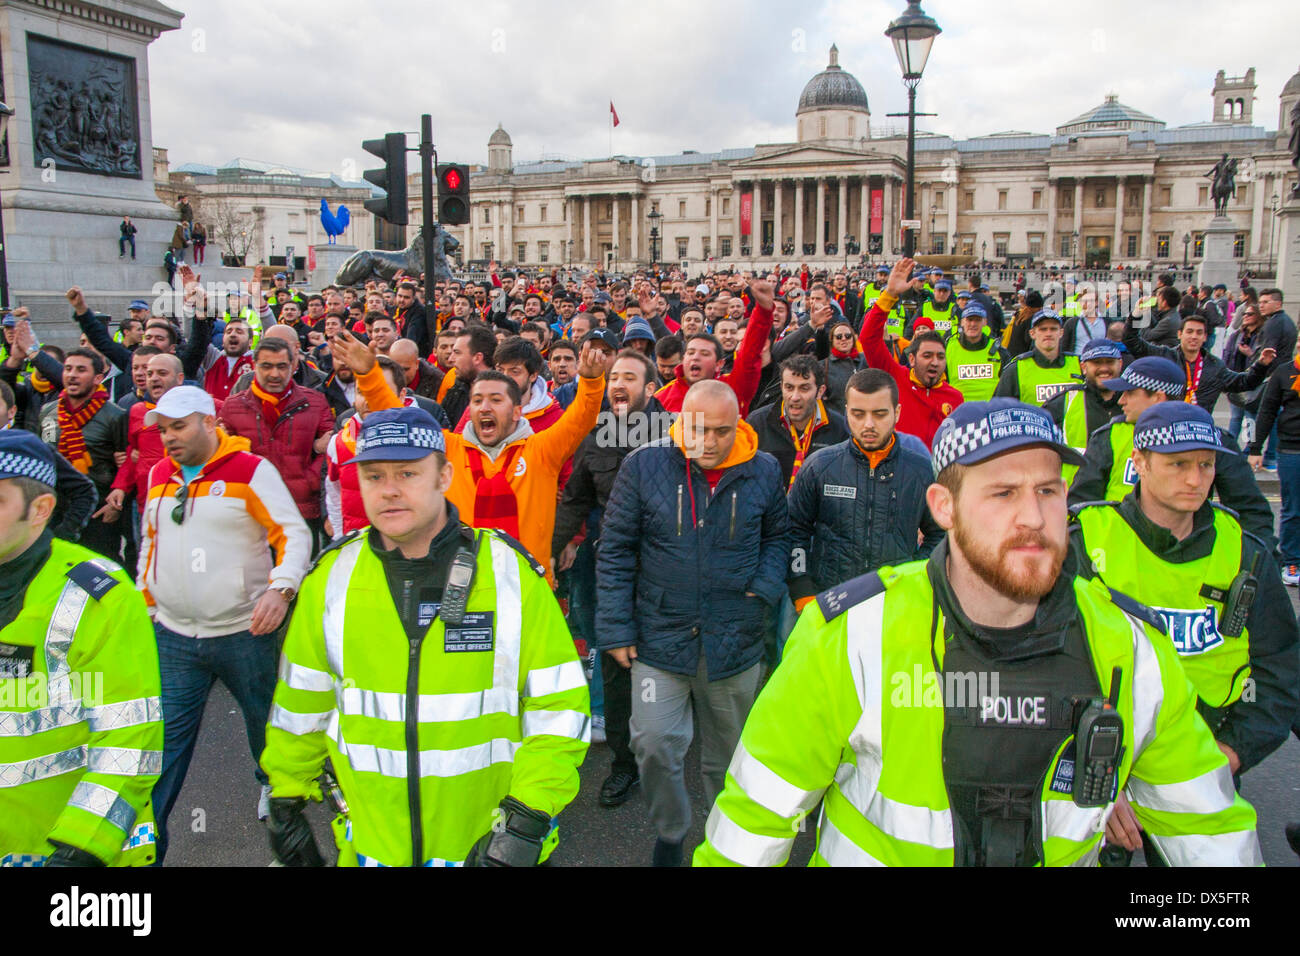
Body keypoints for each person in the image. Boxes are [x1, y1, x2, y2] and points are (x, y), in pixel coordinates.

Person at [694, 398, 1261, 867]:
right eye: (1002, 493)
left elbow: (1212, 835)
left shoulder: (1131, 647)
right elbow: (754, 821)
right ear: (943, 507)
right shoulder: (851, 633)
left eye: (1048, 490)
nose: (1034, 518)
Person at [260, 405, 589, 867]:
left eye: (408, 473)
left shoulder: (510, 574)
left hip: (488, 846)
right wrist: (285, 795)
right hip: (373, 848)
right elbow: (303, 700)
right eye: (373, 476)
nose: (389, 490)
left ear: (444, 476)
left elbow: (559, 707)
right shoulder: (331, 577)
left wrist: (527, 819)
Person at [1071, 403, 1299, 864]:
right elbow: (1045, 662)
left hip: (1203, 751)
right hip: (1098, 759)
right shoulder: (1083, 539)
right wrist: (1088, 774)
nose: (1196, 479)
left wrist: (1231, 753)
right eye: (1178, 464)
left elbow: (1279, 671)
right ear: (1140, 463)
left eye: (1206, 465)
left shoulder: (1245, 554)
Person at [597, 380, 790, 867]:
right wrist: (616, 627)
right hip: (659, 637)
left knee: (729, 755)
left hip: (734, 639)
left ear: (739, 423)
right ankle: (670, 831)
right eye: (696, 429)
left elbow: (778, 536)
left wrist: (764, 588)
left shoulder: (763, 469)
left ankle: (724, 840)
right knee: (653, 742)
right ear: (680, 420)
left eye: (721, 432)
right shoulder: (644, 466)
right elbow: (616, 548)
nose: (707, 441)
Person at [138, 386, 312, 862]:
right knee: (160, 752)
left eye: (178, 427)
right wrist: (145, 605)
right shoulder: (158, 474)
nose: (168, 438)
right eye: (163, 429)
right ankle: (145, 851)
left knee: (267, 731)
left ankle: (280, 816)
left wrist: (281, 589)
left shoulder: (252, 471)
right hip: (173, 637)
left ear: (210, 422)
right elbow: (148, 545)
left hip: (244, 633)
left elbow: (293, 534)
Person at [0, 430, 164, 867]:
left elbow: (131, 734)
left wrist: (82, 846)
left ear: (41, 510)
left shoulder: (98, 594)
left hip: (62, 850)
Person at [553, 349, 669, 808]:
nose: (618, 384)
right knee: (617, 666)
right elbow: (575, 499)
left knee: (669, 668)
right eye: (613, 377)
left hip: (670, 574)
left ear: (651, 388)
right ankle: (625, 764)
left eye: (628, 377)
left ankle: (668, 756)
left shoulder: (678, 431)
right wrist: (542, 551)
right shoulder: (596, 434)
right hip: (615, 571)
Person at [788, 366, 942, 617]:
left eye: (879, 414)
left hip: (896, 605)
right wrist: (803, 590)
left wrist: (915, 573)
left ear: (897, 413)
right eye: (858, 414)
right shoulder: (820, 466)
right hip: (829, 603)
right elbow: (794, 529)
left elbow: (941, 533)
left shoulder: (921, 470)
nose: (868, 424)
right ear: (847, 412)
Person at [1068, 357, 1275, 543]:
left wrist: (1258, 567)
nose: (1121, 400)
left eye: (1129, 393)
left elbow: (1250, 511)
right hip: (1116, 549)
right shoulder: (1111, 435)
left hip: (1186, 552)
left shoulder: (1208, 438)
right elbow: (1083, 503)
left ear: (1158, 397)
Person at [218, 337, 335, 552]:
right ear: (254, 366)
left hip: (302, 509)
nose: (274, 374)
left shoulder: (315, 402)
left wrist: (309, 481)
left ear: (292, 366)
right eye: (266, 366)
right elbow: (225, 455)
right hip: (252, 511)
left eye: (281, 366)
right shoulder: (233, 407)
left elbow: (329, 450)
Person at [857, 259, 963, 448]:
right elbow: (868, 339)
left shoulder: (955, 397)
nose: (935, 362)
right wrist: (889, 294)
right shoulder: (896, 377)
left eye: (940, 357)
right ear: (912, 358)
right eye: (927, 355)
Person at [39, 347, 128, 560]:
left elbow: (126, 465)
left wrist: (115, 506)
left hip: (97, 512)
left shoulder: (115, 416)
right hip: (56, 509)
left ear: (98, 378)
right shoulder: (48, 412)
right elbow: (41, 457)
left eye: (80, 370)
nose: (72, 375)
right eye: (68, 369)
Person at [655, 279, 775, 415]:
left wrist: (764, 311)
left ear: (719, 364)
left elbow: (750, 355)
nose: (696, 357)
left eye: (705, 353)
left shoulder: (732, 388)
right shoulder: (662, 397)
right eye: (691, 352)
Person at [1123, 312, 1275, 412]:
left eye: (1199, 333)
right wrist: (1136, 317)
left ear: (1205, 338)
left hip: (1199, 429)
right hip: (1167, 425)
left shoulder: (1215, 366)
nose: (1194, 337)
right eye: (1189, 332)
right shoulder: (1165, 356)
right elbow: (1132, 342)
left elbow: (1244, 382)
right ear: (1179, 334)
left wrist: (1261, 365)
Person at [746, 354, 849, 490]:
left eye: (804, 388)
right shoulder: (757, 423)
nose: (795, 397)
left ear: (820, 391)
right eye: (789, 387)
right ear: (781, 387)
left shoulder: (840, 428)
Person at [1249, 340, 1300, 583]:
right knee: (1293, 509)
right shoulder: (1285, 372)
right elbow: (1267, 410)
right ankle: (1291, 563)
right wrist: (1255, 447)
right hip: (1292, 451)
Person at [1043, 338, 1124, 484]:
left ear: (1120, 364)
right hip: (1075, 495)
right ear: (1083, 367)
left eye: (1109, 362)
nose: (1104, 368)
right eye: (1097, 363)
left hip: (1121, 499)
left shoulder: (1134, 403)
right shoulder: (1064, 402)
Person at [994, 309, 1081, 406]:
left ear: (1061, 333)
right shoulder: (1016, 369)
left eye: (1053, 329)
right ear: (1032, 333)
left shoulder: (1079, 365)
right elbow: (999, 409)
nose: (1048, 334)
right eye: (1043, 329)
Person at [945, 303, 1009, 403]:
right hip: (958, 410)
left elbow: (1008, 387)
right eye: (969, 320)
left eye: (977, 320)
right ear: (962, 322)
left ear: (985, 322)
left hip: (990, 411)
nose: (973, 324)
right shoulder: (948, 349)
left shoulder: (999, 351)